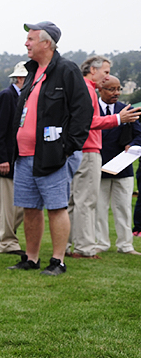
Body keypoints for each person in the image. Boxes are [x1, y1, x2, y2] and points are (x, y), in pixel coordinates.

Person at [8, 21, 93, 276]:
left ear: (47, 43)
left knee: (56, 207)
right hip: (25, 155)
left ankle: (58, 261)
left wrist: (68, 147)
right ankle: (31, 258)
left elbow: (83, 110)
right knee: (30, 208)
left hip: (52, 155)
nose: (26, 43)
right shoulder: (32, 71)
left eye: (31, 39)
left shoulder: (66, 69)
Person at [67, 56, 139, 259]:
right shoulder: (87, 90)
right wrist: (118, 119)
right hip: (91, 154)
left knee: (82, 202)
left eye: (118, 88)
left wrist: (131, 145)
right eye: (106, 73)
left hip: (110, 161)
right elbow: (88, 121)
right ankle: (90, 245)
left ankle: (73, 245)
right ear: (92, 70)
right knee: (89, 204)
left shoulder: (81, 88)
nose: (107, 79)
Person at [0, 62, 28, 255]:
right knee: (9, 205)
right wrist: (1, 158)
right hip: (6, 160)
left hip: (19, 158)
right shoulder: (6, 96)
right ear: (19, 79)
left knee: (20, 205)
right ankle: (8, 242)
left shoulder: (22, 97)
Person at [97, 75, 141, 255]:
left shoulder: (127, 109)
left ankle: (125, 245)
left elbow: (139, 134)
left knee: (123, 207)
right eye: (111, 89)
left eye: (118, 89)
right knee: (99, 208)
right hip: (99, 166)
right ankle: (101, 242)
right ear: (100, 89)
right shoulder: (92, 110)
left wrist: (134, 146)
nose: (116, 93)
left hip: (124, 166)